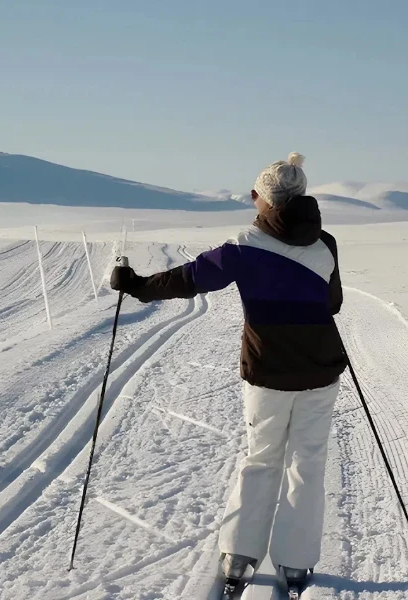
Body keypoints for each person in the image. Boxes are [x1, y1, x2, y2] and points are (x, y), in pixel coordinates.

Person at [110, 153, 347, 587]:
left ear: (264, 199)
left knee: (262, 458)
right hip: (320, 368)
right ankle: (295, 563)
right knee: (308, 461)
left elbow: (189, 279)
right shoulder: (325, 242)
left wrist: (137, 286)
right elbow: (332, 303)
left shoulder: (245, 246)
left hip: (268, 371)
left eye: (254, 195)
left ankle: (240, 556)